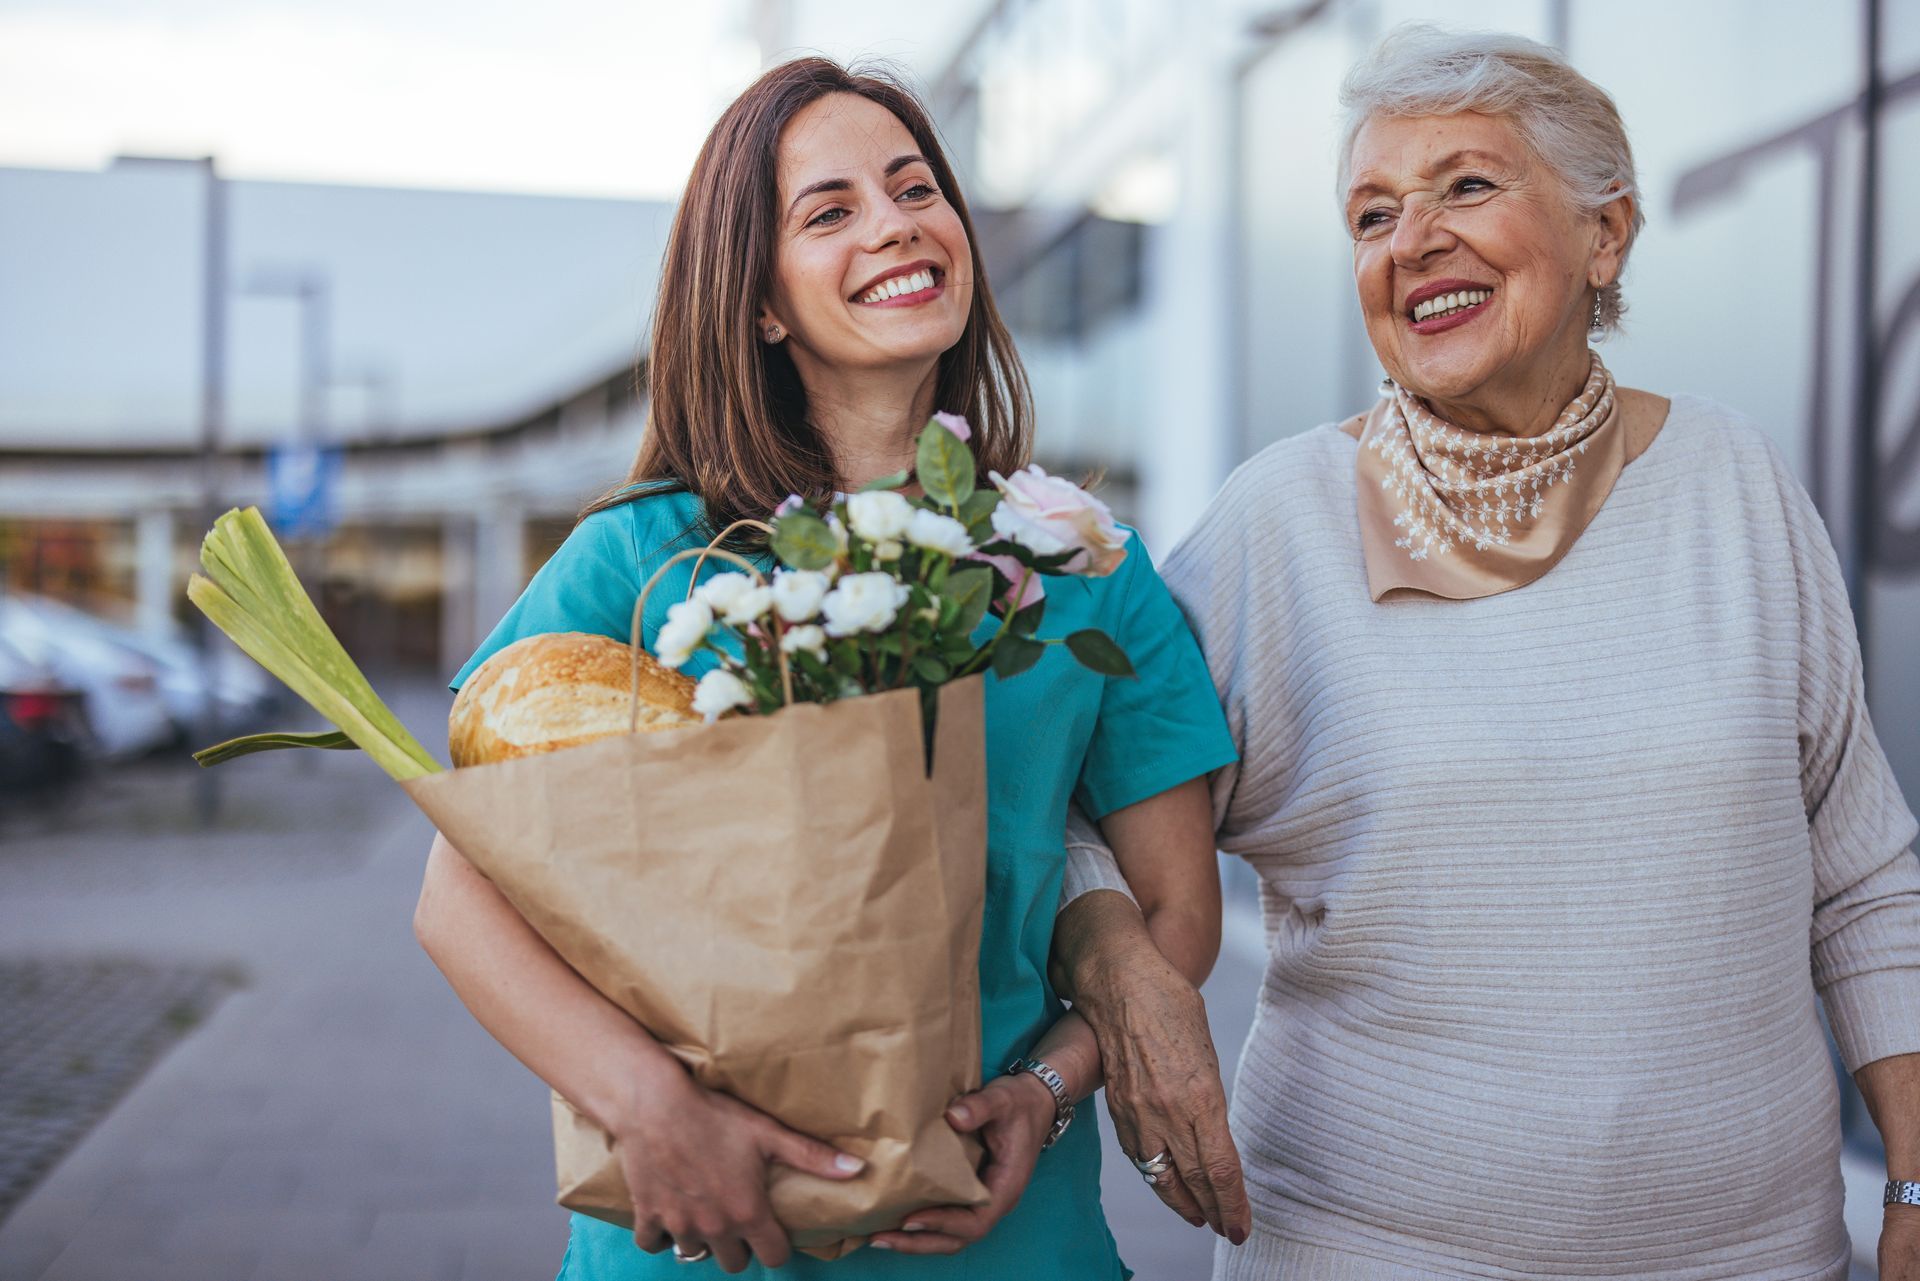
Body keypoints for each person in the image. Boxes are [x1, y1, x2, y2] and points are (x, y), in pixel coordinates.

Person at [1054, 25, 1920, 1281]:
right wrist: (1123, 970)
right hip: (1371, 1254)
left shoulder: (1734, 481)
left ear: (1605, 234)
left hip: (1757, 1256)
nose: (1411, 241)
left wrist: (1911, 1175)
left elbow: (1864, 876)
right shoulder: (1279, 521)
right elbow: (1068, 794)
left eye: (1466, 184)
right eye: (1371, 214)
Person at [411, 58, 1247, 1279]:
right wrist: (650, 1109)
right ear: (759, 303)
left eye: (917, 189)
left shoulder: (1080, 571)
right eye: (831, 211)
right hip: (700, 1232)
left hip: (1005, 1233)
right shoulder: (644, 561)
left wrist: (1047, 1092)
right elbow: (458, 896)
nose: (897, 223)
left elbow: (1179, 913)